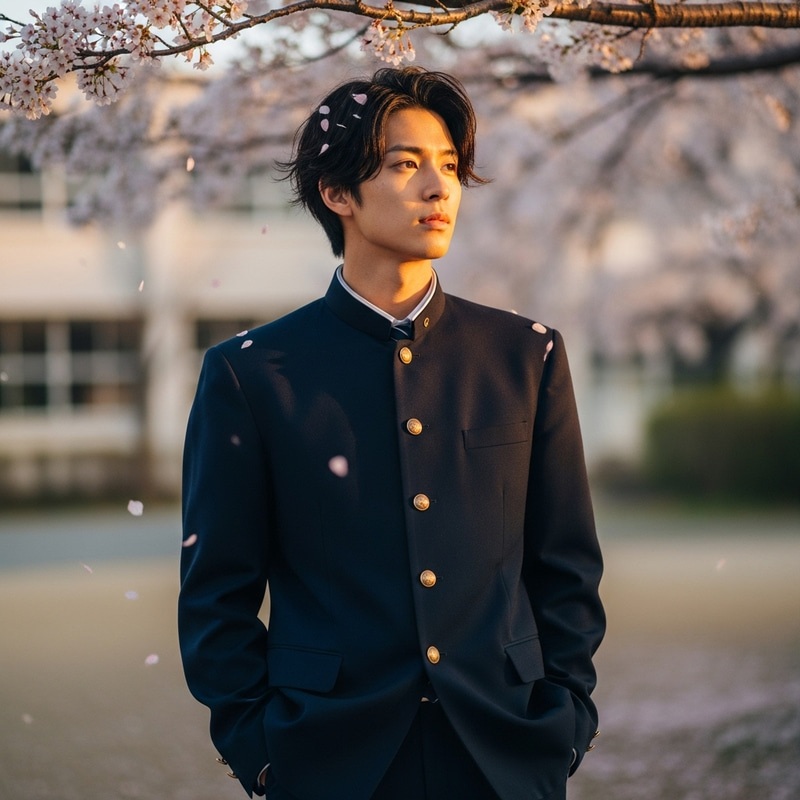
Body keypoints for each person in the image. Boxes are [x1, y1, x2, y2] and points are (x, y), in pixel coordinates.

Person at [178, 66, 605, 800]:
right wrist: (263, 751)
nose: (439, 190)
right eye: (406, 166)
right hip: (329, 758)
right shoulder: (253, 376)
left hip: (505, 751)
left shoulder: (525, 356)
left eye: (448, 167)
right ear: (336, 193)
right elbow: (216, 595)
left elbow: (565, 566)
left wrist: (564, 726)